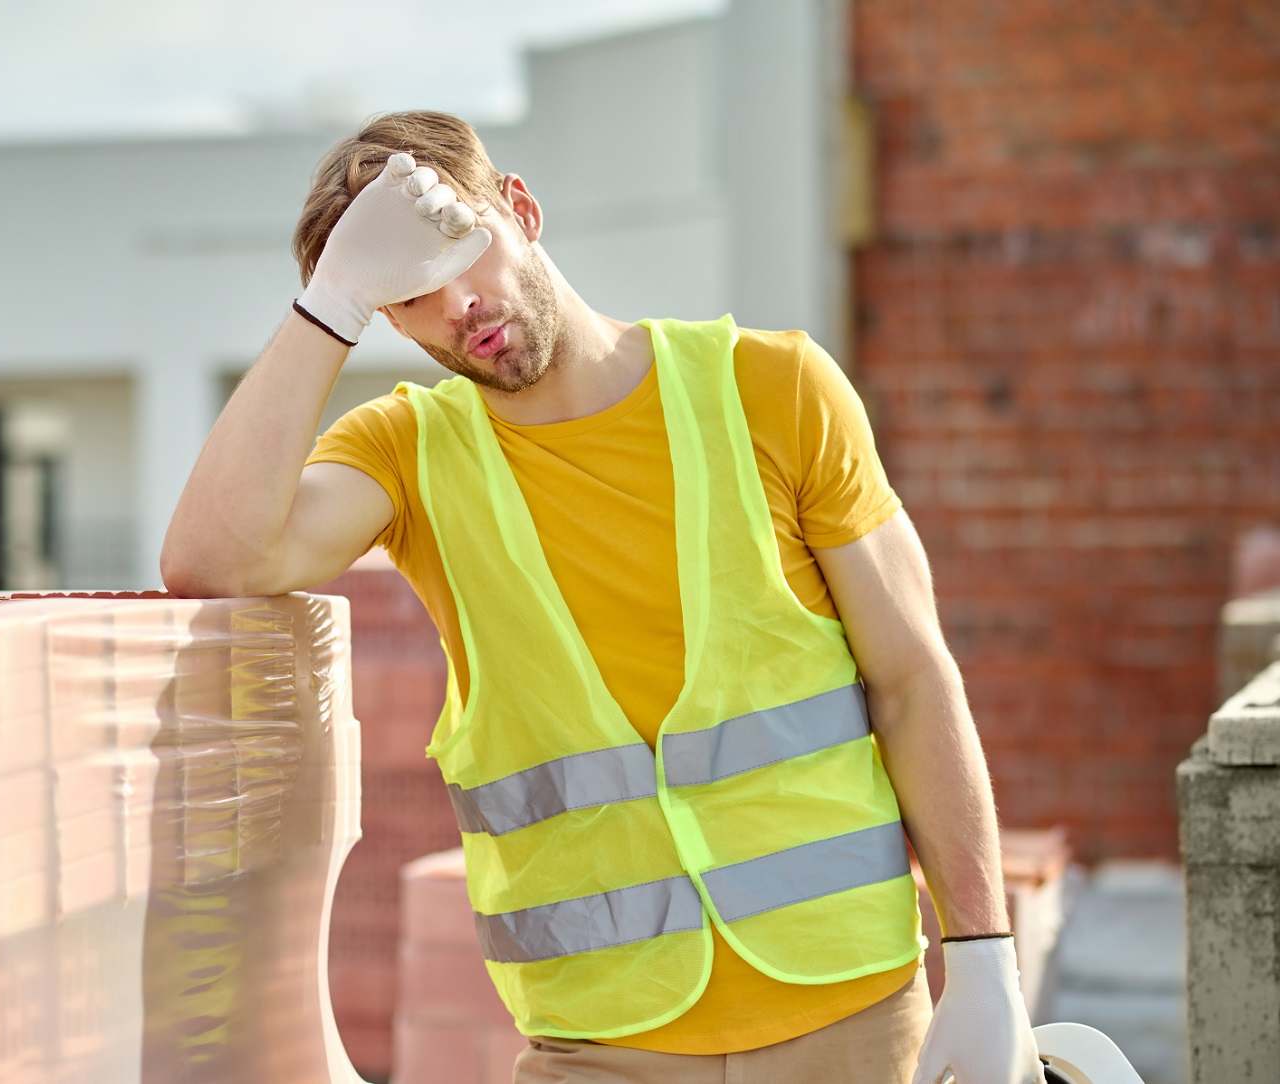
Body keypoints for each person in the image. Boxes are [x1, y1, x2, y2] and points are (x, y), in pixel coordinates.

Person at [161, 111, 1044, 1084]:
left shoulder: (774, 389)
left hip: (847, 1018)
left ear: (522, 209)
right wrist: (332, 299)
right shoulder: (405, 455)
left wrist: (982, 959)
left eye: (464, 250)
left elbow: (912, 678)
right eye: (405, 293)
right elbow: (212, 560)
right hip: (598, 1045)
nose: (456, 301)